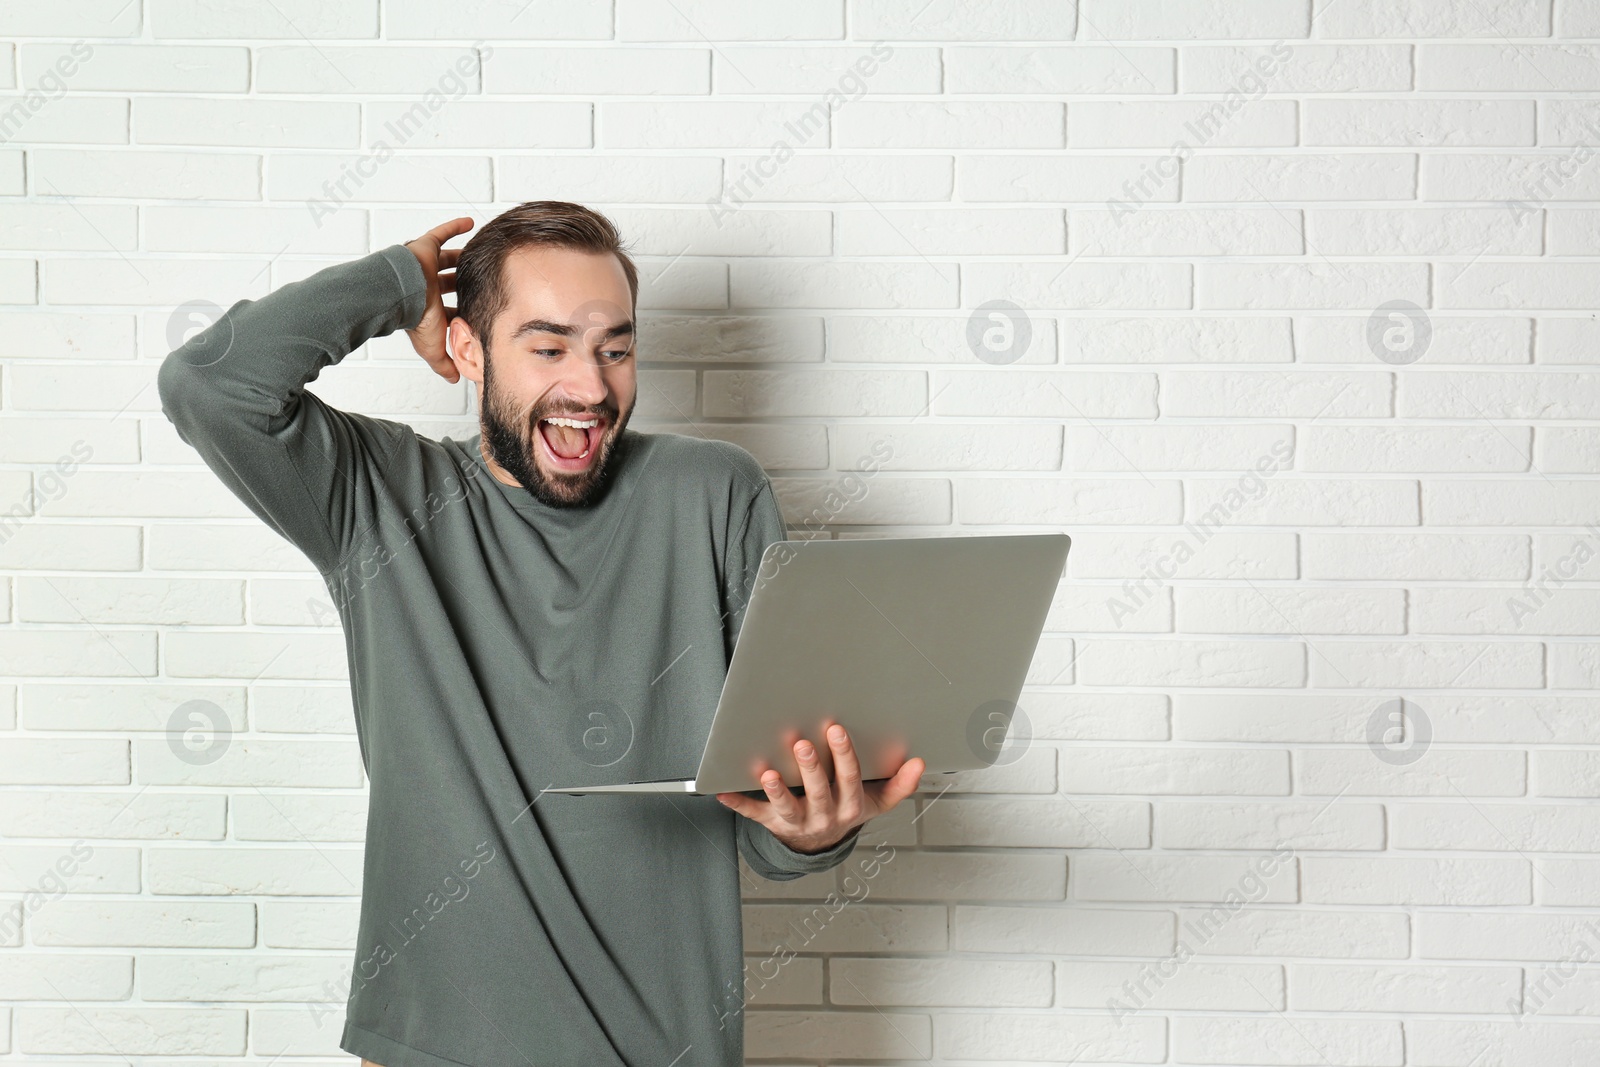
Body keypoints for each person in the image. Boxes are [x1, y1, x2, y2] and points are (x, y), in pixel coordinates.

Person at [156, 202, 925, 1067]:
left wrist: (811, 829)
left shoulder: (716, 495)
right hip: (431, 1048)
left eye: (615, 348)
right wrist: (401, 282)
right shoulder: (378, 500)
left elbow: (765, 814)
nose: (591, 388)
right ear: (469, 352)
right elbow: (208, 386)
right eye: (549, 346)